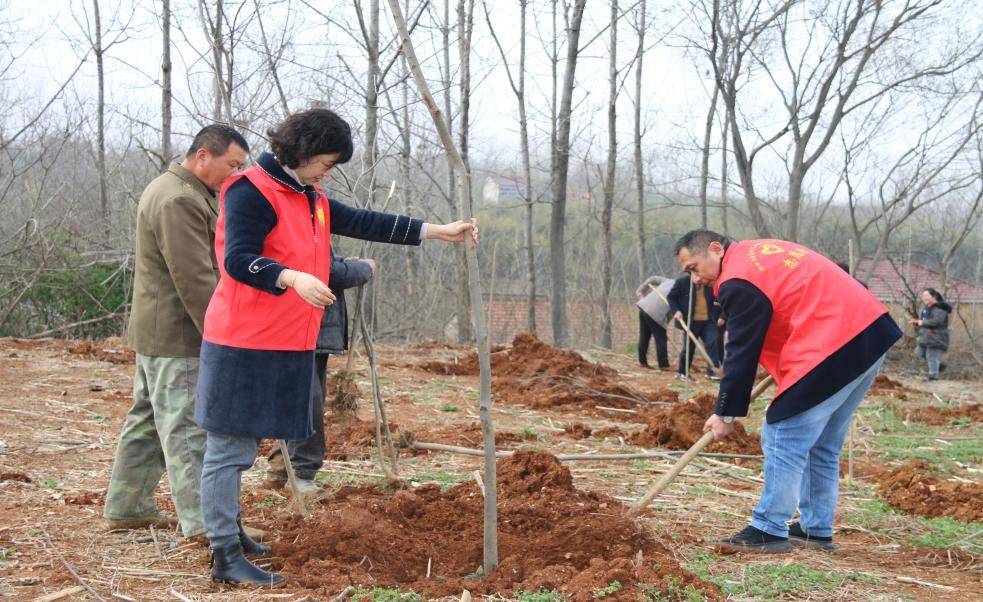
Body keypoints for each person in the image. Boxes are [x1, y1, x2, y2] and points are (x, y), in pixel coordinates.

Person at [194, 108, 478, 586]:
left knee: (246, 445)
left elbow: (363, 221)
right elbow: (238, 260)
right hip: (242, 342)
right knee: (229, 450)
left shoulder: (309, 195)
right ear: (301, 152)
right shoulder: (249, 190)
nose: (327, 172)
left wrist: (435, 231)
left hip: (286, 342)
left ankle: (233, 531)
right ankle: (224, 555)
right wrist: (291, 277)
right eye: (324, 162)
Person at [673, 230, 901, 553]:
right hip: (869, 332)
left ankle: (768, 527)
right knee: (821, 443)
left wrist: (725, 413)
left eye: (694, 268)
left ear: (715, 249)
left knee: (782, 431)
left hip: (834, 339)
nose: (695, 279)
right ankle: (815, 528)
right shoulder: (757, 254)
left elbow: (741, 353)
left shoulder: (738, 279)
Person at [104, 125, 248, 540]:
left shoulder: (176, 190)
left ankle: (127, 505)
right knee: (187, 429)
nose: (234, 174)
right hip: (178, 335)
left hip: (158, 333)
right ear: (203, 156)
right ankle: (205, 524)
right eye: (231, 165)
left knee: (147, 421)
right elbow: (195, 278)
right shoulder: (179, 200)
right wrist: (222, 339)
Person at [266, 252, 375, 491]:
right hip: (304, 326)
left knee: (299, 398)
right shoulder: (304, 220)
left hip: (305, 327)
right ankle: (302, 475)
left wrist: (344, 262)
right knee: (308, 400)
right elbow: (325, 271)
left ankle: (283, 465)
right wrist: (363, 268)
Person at [667, 273, 722, 381]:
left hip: (707, 321)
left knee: (714, 342)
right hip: (690, 321)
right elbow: (671, 297)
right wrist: (676, 311)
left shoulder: (708, 282)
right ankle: (682, 373)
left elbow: (716, 296)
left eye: (700, 277)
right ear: (691, 273)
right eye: (696, 276)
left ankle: (712, 372)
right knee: (688, 348)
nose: (698, 279)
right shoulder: (682, 282)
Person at [910, 288, 951, 380]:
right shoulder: (926, 308)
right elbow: (925, 320)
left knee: (931, 356)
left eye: (926, 296)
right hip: (926, 336)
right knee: (919, 352)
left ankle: (933, 376)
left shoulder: (940, 309)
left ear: (933, 297)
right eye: (923, 296)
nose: (924, 298)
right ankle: (939, 366)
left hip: (937, 337)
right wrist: (917, 322)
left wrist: (922, 323)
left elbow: (937, 321)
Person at [635, 275, 674, 371]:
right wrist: (663, 325)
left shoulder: (669, 280)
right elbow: (673, 311)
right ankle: (664, 365)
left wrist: (641, 290)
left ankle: (642, 362)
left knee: (644, 336)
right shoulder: (683, 291)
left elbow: (653, 279)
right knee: (661, 339)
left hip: (644, 307)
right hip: (656, 312)